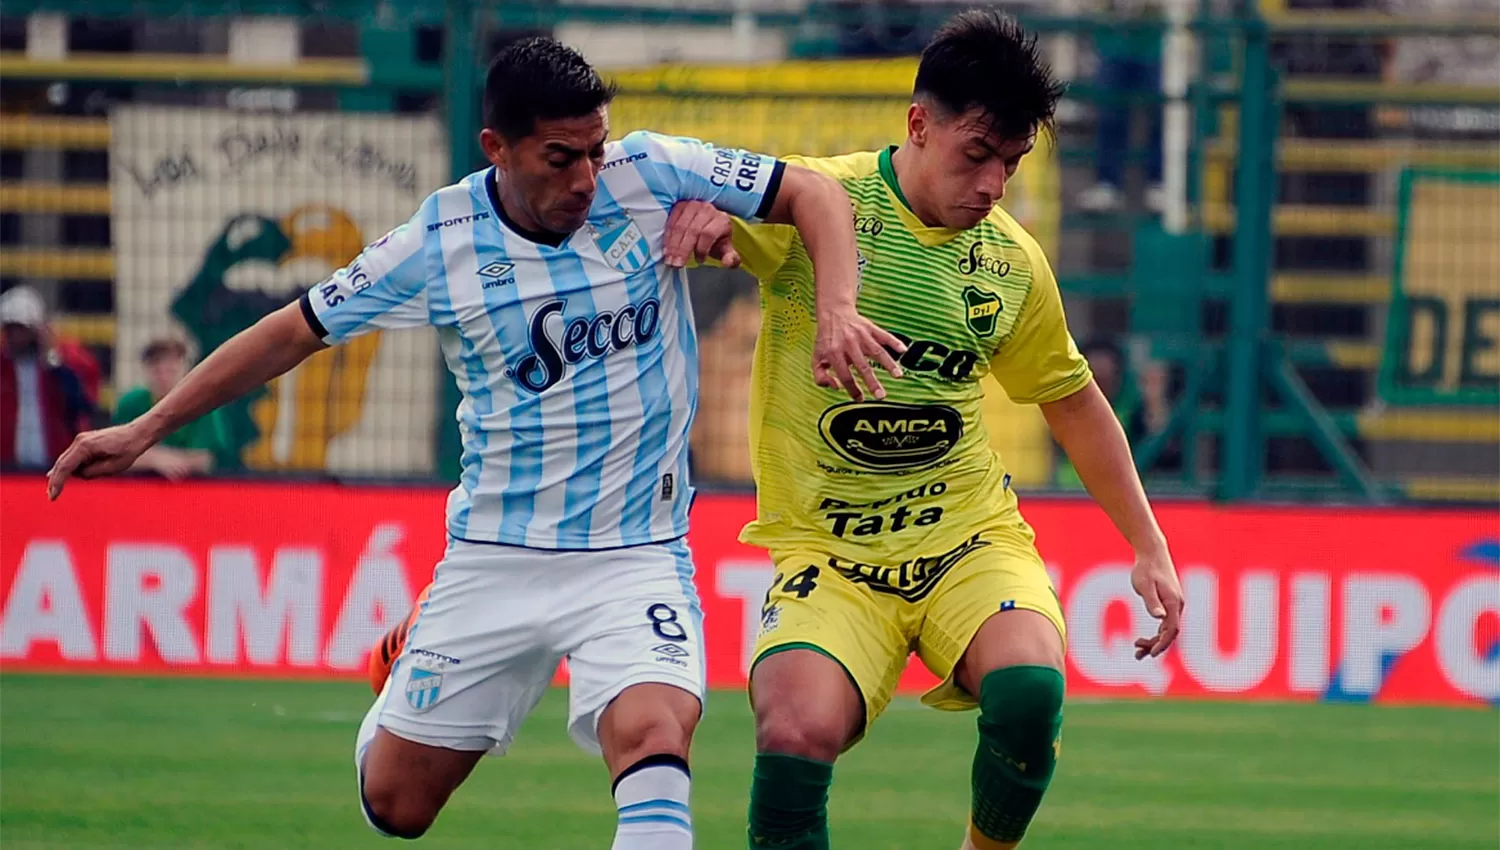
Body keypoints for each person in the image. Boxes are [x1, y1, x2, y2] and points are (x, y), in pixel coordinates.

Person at [46, 36, 901, 849]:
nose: (588, 177)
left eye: (596, 150)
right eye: (560, 158)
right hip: (496, 556)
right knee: (397, 808)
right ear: (497, 146)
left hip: (635, 551)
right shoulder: (439, 242)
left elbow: (815, 195)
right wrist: (147, 427)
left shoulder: (650, 171)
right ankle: (409, 652)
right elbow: (292, 331)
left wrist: (836, 308)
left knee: (656, 737)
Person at [718, 12, 1178, 849]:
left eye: (1013, 162)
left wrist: (1147, 542)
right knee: (792, 732)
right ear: (918, 125)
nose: (996, 183)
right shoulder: (817, 199)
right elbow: (679, 191)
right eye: (979, 154)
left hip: (968, 537)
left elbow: (1070, 399)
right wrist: (701, 216)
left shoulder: (1009, 261)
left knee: (1031, 690)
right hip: (831, 555)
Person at [113, 336, 234, 480]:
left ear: (184, 370)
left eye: (171, 370)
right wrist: (156, 459)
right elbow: (116, 454)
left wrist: (153, 457)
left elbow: (204, 460)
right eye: (157, 371)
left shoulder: (203, 404)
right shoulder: (130, 403)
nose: (164, 377)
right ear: (147, 370)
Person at [1, 286, 93, 470]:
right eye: (10, 329)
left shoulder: (59, 369)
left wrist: (52, 358)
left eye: (22, 329)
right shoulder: (3, 369)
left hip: (52, 465)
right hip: (6, 467)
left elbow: (82, 405)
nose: (15, 336)